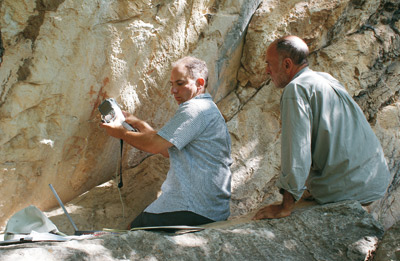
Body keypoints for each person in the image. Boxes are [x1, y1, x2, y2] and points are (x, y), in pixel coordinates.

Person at [253, 36, 391, 220]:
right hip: (376, 179)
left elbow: (297, 151)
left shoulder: (296, 89)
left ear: (287, 64)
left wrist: (285, 206)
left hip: (353, 187)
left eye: (269, 64)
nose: (267, 70)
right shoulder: (325, 78)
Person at [101, 56, 232, 228]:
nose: (173, 91)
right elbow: (165, 147)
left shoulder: (193, 109)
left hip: (191, 207)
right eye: (172, 84)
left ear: (199, 83)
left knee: (131, 232)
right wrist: (137, 123)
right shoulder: (207, 108)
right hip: (211, 209)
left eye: (180, 83)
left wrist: (120, 132)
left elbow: (154, 145)